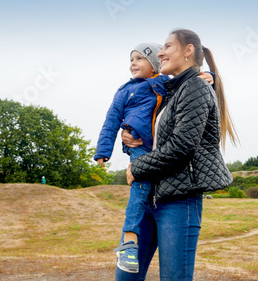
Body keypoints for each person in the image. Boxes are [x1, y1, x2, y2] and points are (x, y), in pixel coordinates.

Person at [120, 29, 238, 280]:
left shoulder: (195, 87)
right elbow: (156, 138)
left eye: (168, 47)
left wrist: (137, 167)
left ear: (188, 51)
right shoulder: (171, 91)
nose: (160, 53)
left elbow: (181, 147)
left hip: (178, 201)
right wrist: (131, 136)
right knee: (125, 276)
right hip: (148, 199)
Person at [93, 42, 214, 274]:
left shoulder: (165, 84)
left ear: (155, 64)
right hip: (140, 148)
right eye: (131, 59)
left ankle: (130, 241)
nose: (133, 64)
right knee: (139, 189)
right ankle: (129, 241)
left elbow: (190, 83)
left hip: (167, 172)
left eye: (139, 58)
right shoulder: (124, 91)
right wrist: (104, 150)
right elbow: (111, 121)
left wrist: (211, 76)